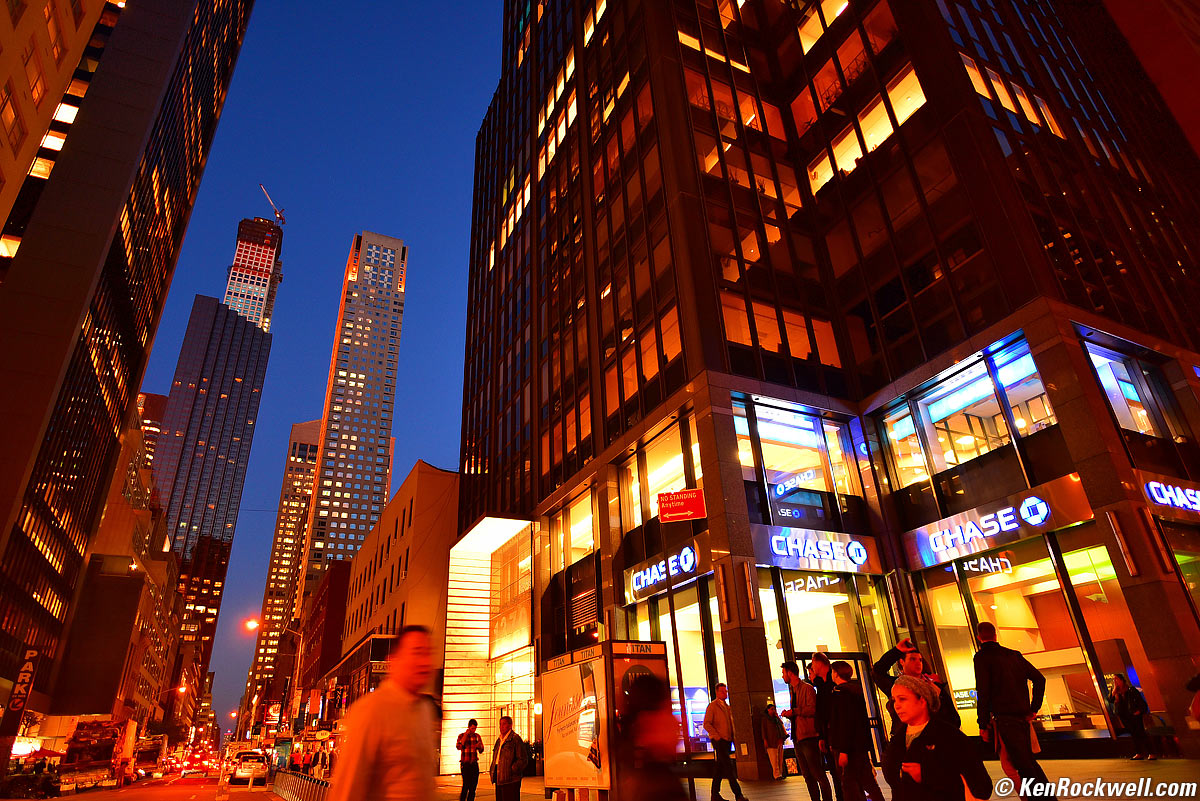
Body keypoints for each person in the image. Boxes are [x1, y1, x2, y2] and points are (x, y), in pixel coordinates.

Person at [326, 624, 437, 800]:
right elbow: (347, 790)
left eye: (428, 653)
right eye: (417, 652)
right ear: (394, 661)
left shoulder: (424, 710)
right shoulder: (371, 710)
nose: (425, 662)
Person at [973, 621, 1054, 800]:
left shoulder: (981, 657)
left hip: (1004, 718)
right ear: (995, 635)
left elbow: (983, 691)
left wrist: (983, 722)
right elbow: (1039, 679)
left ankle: (1037, 798)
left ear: (979, 637)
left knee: (1021, 765)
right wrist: (1034, 708)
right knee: (1025, 762)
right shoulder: (1014, 655)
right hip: (1022, 717)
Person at [883, 676, 992, 801]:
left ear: (922, 701)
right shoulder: (897, 740)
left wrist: (927, 774)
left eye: (902, 699)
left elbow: (981, 785)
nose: (897, 706)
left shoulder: (950, 737)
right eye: (894, 700)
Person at [617, 673, 689, 801]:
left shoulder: (638, 779)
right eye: (665, 710)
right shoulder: (659, 787)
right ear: (645, 722)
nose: (675, 721)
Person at [872, 638, 959, 731]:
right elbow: (878, 672)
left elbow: (954, 719)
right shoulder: (897, 686)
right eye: (912, 659)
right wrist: (896, 651)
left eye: (920, 660)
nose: (918, 663)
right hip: (906, 736)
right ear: (902, 662)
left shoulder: (933, 685)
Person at [827, 661, 884, 801]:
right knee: (865, 781)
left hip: (849, 749)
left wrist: (843, 750)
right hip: (858, 746)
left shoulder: (841, 693)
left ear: (836, 673)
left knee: (850, 784)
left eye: (832, 671)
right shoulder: (855, 691)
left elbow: (844, 723)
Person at [781, 661, 831, 801]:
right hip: (798, 738)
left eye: (784, 673)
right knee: (807, 775)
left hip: (809, 737)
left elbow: (812, 709)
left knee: (817, 772)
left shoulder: (807, 689)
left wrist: (794, 711)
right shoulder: (793, 690)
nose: (783, 676)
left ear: (790, 673)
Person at [702, 683, 748, 801]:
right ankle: (738, 794)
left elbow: (730, 724)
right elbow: (707, 723)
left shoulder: (727, 707)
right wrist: (716, 736)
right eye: (722, 691)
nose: (725, 693)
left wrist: (732, 737)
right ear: (717, 693)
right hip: (719, 740)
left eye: (725, 691)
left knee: (720, 767)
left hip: (727, 740)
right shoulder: (713, 706)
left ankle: (714, 794)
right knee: (728, 767)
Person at [809, 655, 845, 801]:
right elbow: (821, 713)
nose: (812, 668)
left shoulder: (833, 684)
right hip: (827, 733)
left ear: (819, 664)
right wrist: (821, 736)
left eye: (813, 665)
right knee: (835, 772)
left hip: (835, 733)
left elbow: (828, 711)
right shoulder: (822, 685)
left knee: (841, 772)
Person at [1109, 674, 1154, 760]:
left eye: (1116, 679)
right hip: (1124, 716)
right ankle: (1139, 753)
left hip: (1134, 714)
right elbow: (1110, 700)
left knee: (1141, 733)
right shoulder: (1115, 691)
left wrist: (1139, 711)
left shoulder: (1131, 690)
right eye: (1114, 679)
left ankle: (1151, 753)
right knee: (1133, 734)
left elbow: (1141, 702)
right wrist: (1114, 692)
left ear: (1122, 680)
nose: (1115, 681)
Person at [489, 715, 528, 801]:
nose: (501, 727)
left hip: (511, 780)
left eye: (504, 724)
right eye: (500, 724)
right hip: (499, 778)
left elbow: (523, 759)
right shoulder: (499, 740)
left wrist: (512, 769)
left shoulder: (515, 739)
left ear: (510, 725)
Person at [457, 718, 486, 801]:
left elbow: (481, 750)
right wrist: (466, 735)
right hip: (465, 764)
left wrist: (479, 746)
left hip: (474, 763)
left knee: (473, 786)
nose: (474, 730)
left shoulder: (477, 736)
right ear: (469, 727)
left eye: (475, 728)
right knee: (466, 785)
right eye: (472, 728)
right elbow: (459, 746)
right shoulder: (461, 736)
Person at [760, 704, 788, 781]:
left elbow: (781, 724)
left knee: (780, 758)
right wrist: (765, 740)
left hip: (779, 741)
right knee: (774, 759)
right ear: (768, 710)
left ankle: (780, 773)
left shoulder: (776, 718)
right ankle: (776, 775)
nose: (773, 711)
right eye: (771, 709)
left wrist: (777, 717)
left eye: (774, 709)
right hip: (771, 741)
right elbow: (764, 730)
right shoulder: (765, 719)